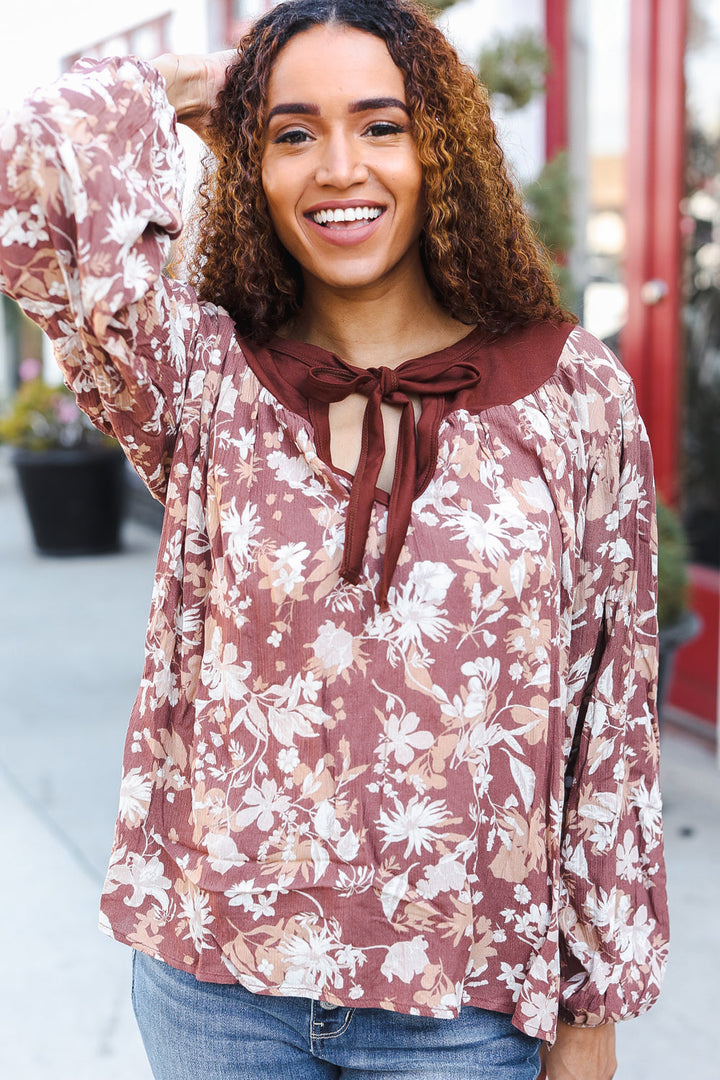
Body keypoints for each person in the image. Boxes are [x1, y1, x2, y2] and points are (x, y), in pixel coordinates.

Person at [0, 1, 668, 1077]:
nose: (338, 168)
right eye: (293, 133)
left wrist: (594, 1010)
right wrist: (199, 82)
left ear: (440, 148)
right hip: (219, 991)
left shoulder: (571, 390)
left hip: (464, 1004)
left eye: (382, 124)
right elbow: (27, 187)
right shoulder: (201, 378)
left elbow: (614, 716)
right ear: (248, 163)